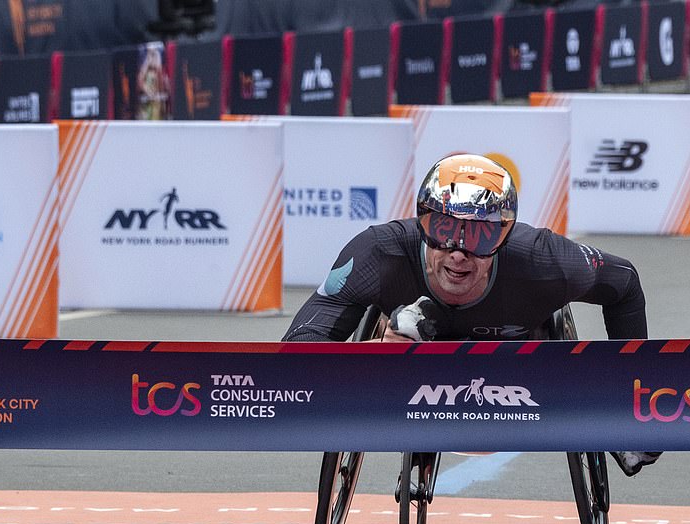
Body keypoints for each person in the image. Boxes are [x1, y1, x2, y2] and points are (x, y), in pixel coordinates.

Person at [282, 153, 660, 476]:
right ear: (422, 222)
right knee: (394, 329)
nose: (458, 252)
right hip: (402, 374)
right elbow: (301, 343)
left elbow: (624, 283)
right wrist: (371, 359)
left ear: (504, 236)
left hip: (516, 380)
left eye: (478, 236)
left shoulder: (544, 259)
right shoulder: (378, 253)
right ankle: (401, 336)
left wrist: (630, 402)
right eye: (444, 229)